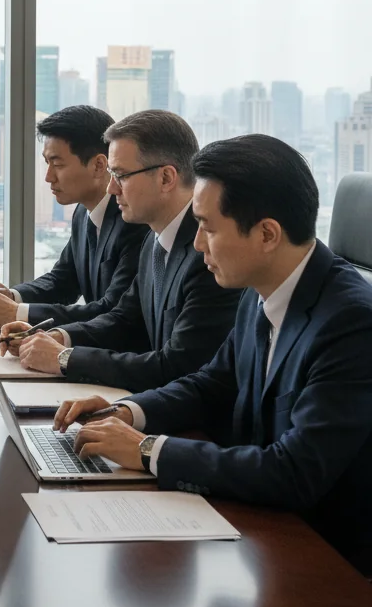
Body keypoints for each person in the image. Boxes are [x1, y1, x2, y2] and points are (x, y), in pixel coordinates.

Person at [55, 135, 372, 574]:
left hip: (325, 565)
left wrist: (147, 450)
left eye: (208, 227)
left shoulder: (351, 323)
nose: (198, 245)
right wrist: (127, 412)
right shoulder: (260, 288)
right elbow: (211, 383)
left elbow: (294, 472)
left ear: (266, 234)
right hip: (259, 531)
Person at [0, 110, 241, 391]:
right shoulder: (155, 239)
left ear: (165, 178)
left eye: (121, 176)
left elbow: (177, 365)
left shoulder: (208, 254)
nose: (111, 188)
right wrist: (58, 337)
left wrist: (65, 358)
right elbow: (124, 319)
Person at [0, 105, 148, 328]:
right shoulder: (82, 212)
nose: (48, 177)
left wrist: (17, 313)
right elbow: (63, 281)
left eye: (57, 164)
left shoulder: (134, 222)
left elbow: (111, 311)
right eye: (47, 163)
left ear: (98, 165)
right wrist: (12, 296)